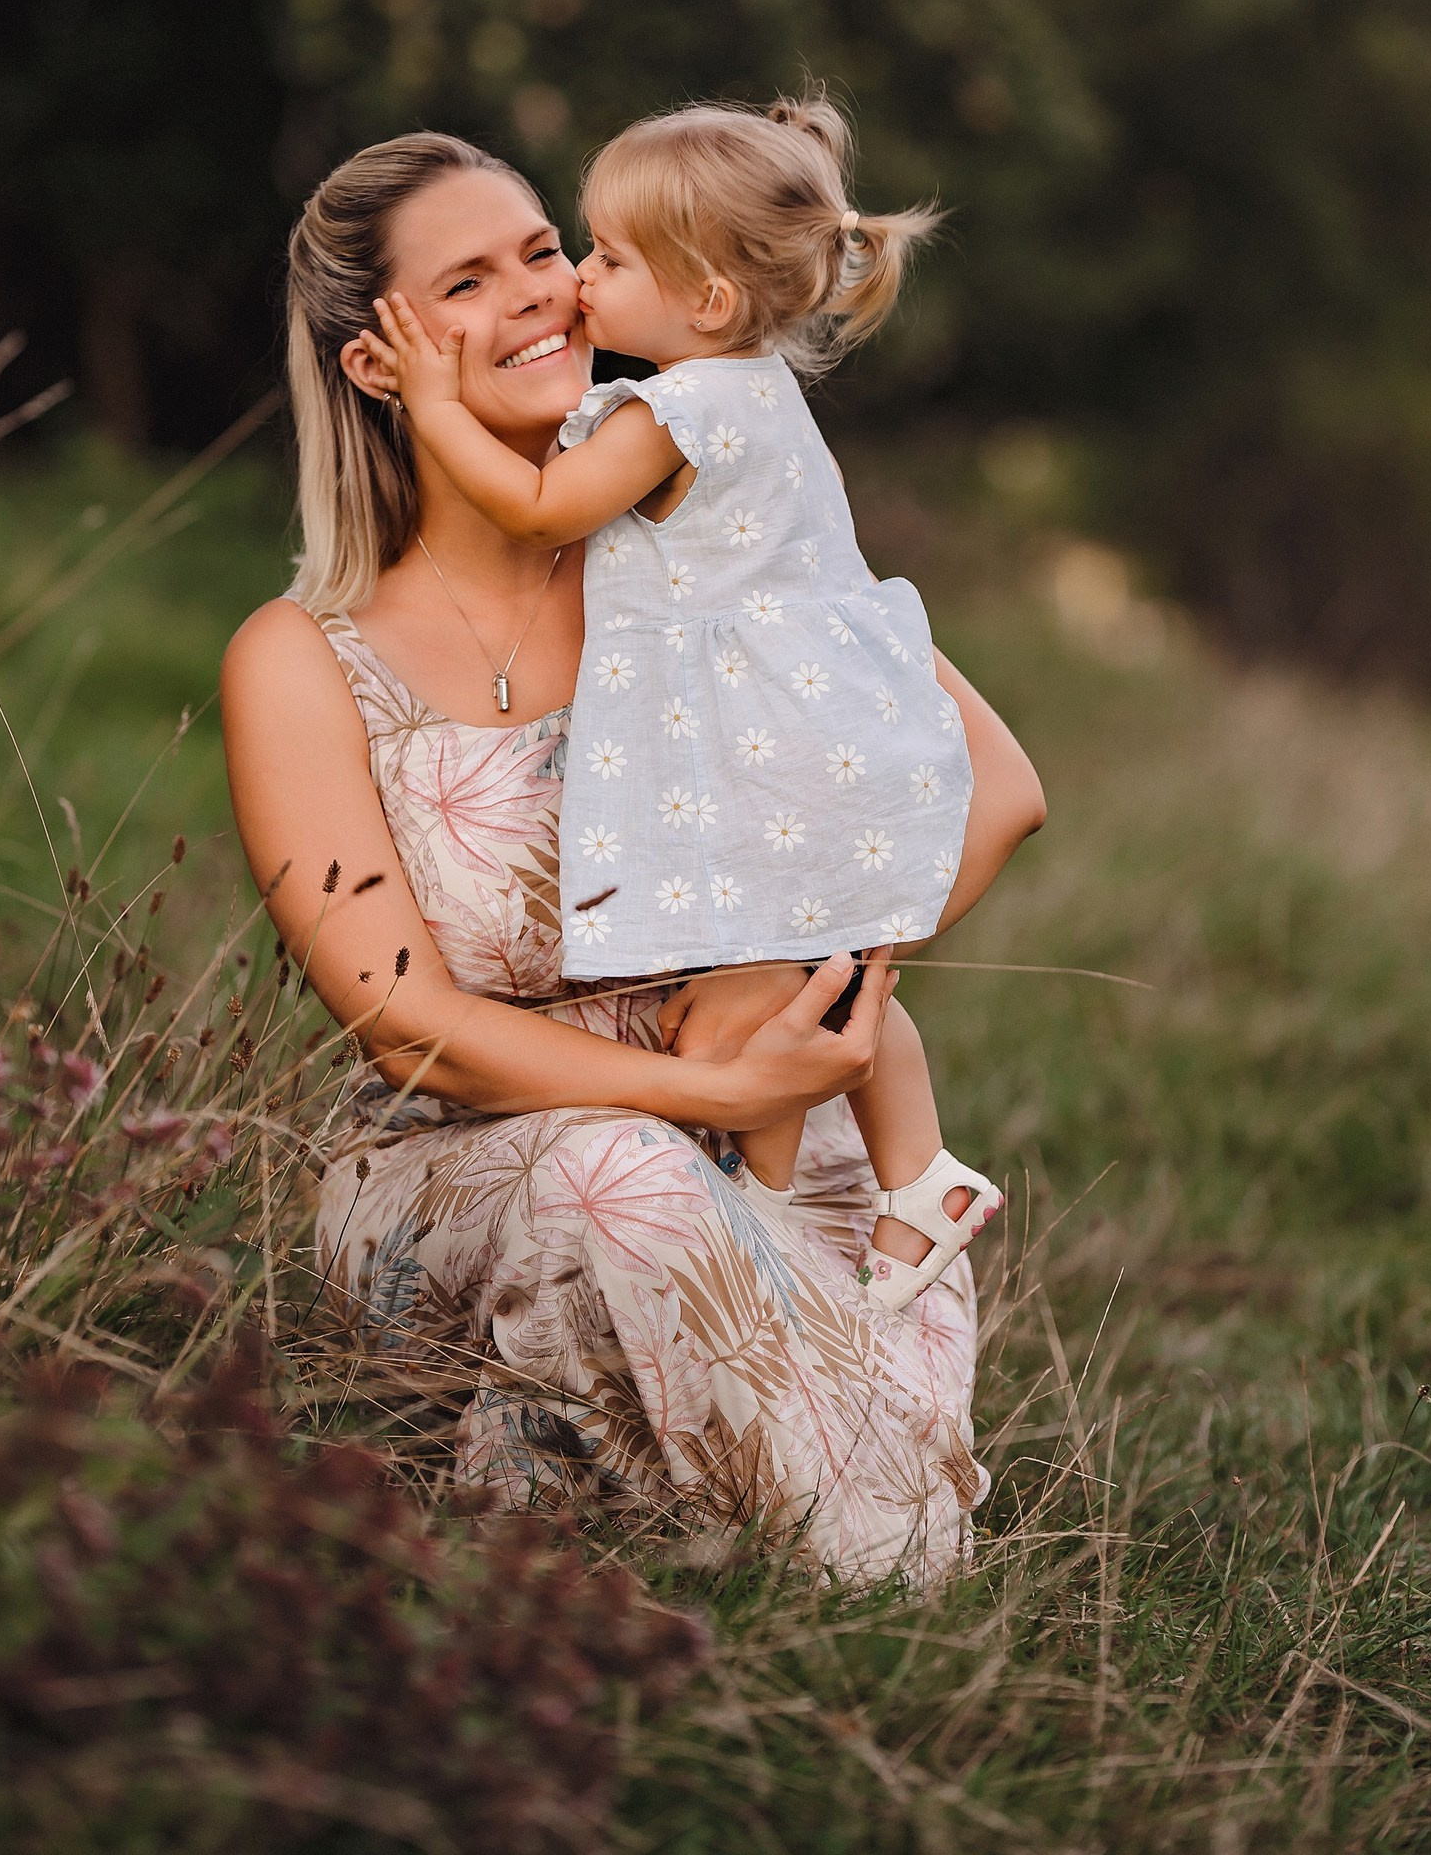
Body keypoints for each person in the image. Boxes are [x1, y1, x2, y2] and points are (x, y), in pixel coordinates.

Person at [220, 130, 1045, 1583]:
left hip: (770, 1120)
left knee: (830, 1459)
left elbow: (988, 791)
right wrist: (705, 1090)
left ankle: (792, 1557)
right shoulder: (302, 661)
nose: (541, 293)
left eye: (544, 250)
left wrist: (820, 984)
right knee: (624, 1174)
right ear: (376, 366)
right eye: (468, 280)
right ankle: (716, 1550)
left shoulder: (702, 557)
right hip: (479, 1168)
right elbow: (408, 1024)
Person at [364, 92, 999, 1313]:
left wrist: (436, 406)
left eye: (596, 256)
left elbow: (545, 509)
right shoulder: (762, 391)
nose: (579, 285)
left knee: (758, 1000)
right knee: (823, 975)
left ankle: (762, 1205)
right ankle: (916, 1176)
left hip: (769, 740)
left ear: (705, 300)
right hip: (834, 727)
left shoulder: (681, 407)